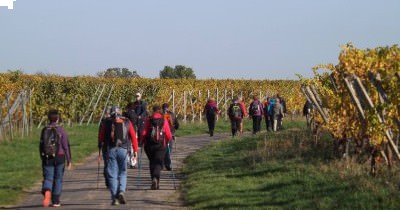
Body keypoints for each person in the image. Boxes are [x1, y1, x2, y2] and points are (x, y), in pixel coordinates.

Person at [98, 106, 138, 205]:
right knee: (123, 172)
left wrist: (100, 147)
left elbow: (101, 137)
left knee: (112, 174)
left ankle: (114, 198)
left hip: (111, 150)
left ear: (111, 113)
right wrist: (135, 150)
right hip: (123, 150)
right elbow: (133, 136)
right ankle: (121, 191)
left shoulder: (106, 122)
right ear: (120, 112)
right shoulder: (127, 122)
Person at [39, 109, 72, 208]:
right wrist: (69, 160)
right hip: (60, 156)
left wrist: (42, 157)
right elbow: (66, 145)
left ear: (48, 118)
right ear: (57, 118)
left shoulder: (44, 129)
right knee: (58, 179)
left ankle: (47, 190)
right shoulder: (61, 130)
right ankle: (56, 201)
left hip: (48, 157)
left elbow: (41, 145)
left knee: (48, 178)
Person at [141, 105, 173, 190]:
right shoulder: (164, 119)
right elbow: (169, 134)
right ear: (160, 111)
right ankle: (156, 178)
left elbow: (144, 133)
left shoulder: (149, 119)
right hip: (161, 145)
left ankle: (154, 180)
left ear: (153, 110)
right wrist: (167, 142)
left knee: (152, 162)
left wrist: (142, 141)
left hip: (149, 145)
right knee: (158, 163)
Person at [162, 103, 179, 171]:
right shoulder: (172, 114)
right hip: (170, 134)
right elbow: (177, 125)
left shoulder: (160, 114)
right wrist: (175, 128)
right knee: (169, 150)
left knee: (162, 150)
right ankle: (168, 165)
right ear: (168, 107)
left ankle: (161, 165)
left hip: (162, 135)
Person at [123, 102, 138, 169]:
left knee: (128, 146)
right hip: (134, 130)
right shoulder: (135, 114)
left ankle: (127, 161)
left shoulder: (126, 114)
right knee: (133, 147)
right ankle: (133, 163)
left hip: (126, 130)